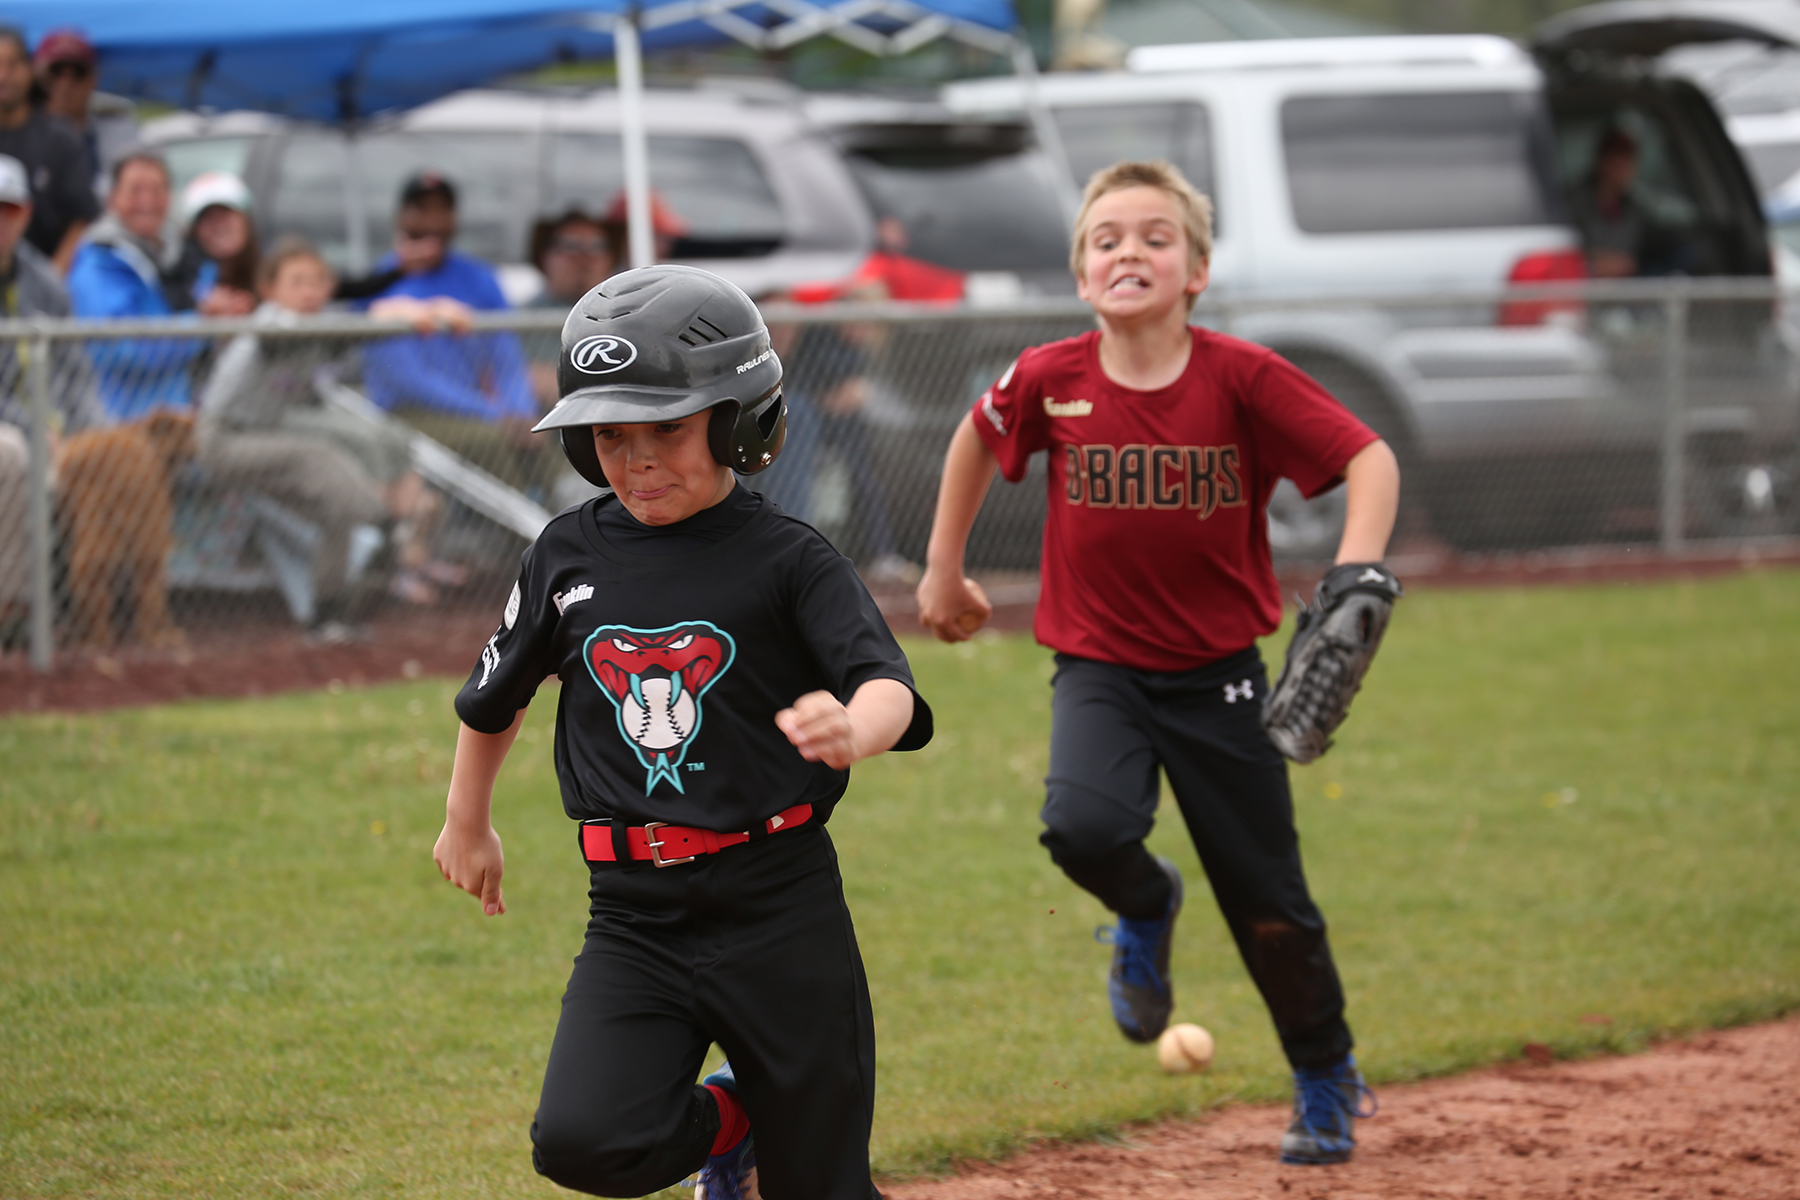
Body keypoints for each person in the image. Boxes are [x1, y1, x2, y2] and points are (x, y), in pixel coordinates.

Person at [914, 160, 1401, 1166]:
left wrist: (1356, 573)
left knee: (1270, 907)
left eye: (1155, 237)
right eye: (1107, 239)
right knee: (1080, 827)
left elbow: (1369, 459)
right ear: (1083, 276)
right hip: (1099, 668)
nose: (1129, 250)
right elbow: (976, 436)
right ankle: (1145, 902)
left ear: (1197, 271)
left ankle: (1324, 1071)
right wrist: (944, 572)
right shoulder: (1052, 377)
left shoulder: (1243, 377)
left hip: (1221, 677)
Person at [433, 264, 932, 1200]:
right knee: (584, 1143)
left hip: (780, 906)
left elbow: (887, 686)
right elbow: (494, 695)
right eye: (609, 435)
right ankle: (731, 1122)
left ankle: (775, 1136)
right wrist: (469, 820)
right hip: (634, 915)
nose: (636, 459)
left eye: (667, 427)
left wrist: (856, 729)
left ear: (743, 423)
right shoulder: (566, 553)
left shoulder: (790, 559)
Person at [196, 237, 456, 629]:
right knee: (321, 457)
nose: (309, 291)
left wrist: (416, 316)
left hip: (269, 432)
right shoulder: (273, 322)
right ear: (270, 290)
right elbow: (289, 334)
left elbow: (349, 334)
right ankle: (388, 526)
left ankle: (327, 613)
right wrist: (392, 315)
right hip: (226, 438)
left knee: (338, 510)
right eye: (296, 282)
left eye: (317, 281)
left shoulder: (316, 325)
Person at [357, 172, 549, 492]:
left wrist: (520, 411)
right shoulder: (381, 283)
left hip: (478, 405)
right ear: (401, 218)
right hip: (409, 412)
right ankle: (517, 538)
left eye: (441, 210)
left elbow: (506, 357)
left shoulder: (479, 278)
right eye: (421, 209)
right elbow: (410, 381)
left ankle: (572, 525)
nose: (432, 220)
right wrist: (494, 415)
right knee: (493, 445)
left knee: (549, 440)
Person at [0, 153, 102, 625]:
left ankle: (98, 611)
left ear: (25, 214)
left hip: (51, 427)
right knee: (15, 457)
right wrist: (37, 428)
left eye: (9, 209)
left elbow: (76, 370)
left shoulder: (44, 281)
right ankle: (18, 610)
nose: (1, 221)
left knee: (113, 458)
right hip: (15, 431)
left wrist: (94, 434)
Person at [66, 150, 207, 419]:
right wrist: (202, 326)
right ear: (112, 199)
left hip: (173, 424)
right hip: (120, 427)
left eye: (157, 190)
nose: (147, 202)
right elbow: (123, 348)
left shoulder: (177, 256)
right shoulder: (98, 260)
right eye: (135, 190)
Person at [0, 27, 98, 275]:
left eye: (12, 65)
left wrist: (51, 281)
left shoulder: (59, 138)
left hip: (46, 286)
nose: (4, 76)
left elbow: (82, 217)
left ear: (30, 69)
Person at [31, 28, 138, 206]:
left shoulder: (117, 135)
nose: (65, 84)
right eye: (56, 72)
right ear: (37, 77)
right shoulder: (18, 133)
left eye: (78, 73)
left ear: (94, 79)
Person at [165, 171, 258, 317]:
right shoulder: (175, 285)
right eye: (207, 216)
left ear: (246, 219)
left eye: (226, 211)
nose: (218, 224)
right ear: (193, 231)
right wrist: (202, 315)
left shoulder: (276, 275)